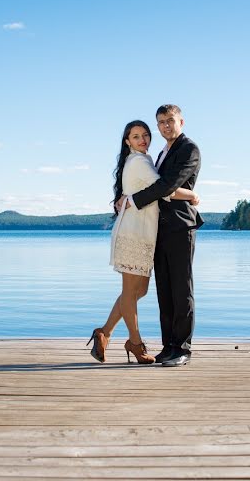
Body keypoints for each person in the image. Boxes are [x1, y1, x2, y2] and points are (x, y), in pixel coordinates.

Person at [88, 120, 198, 365]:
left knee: (139, 290)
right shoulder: (139, 161)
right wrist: (192, 195)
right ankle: (135, 343)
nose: (142, 140)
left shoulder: (144, 159)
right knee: (131, 291)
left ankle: (104, 333)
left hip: (144, 233)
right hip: (134, 233)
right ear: (127, 141)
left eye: (145, 135)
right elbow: (163, 189)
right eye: (136, 136)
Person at [116, 104, 202, 367]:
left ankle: (183, 348)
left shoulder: (189, 149)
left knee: (181, 289)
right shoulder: (160, 153)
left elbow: (165, 186)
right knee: (164, 291)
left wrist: (132, 200)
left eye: (170, 120)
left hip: (179, 227)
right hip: (159, 229)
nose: (166, 125)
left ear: (181, 122)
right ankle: (169, 347)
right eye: (161, 122)